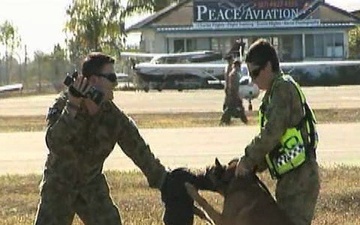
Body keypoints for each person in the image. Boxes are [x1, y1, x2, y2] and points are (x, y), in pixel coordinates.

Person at [33, 52, 168, 225]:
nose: (115, 83)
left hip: (91, 185)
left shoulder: (114, 118)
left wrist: (165, 181)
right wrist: (73, 106)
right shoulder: (62, 106)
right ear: (94, 80)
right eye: (111, 77)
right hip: (59, 186)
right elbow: (54, 143)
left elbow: (139, 150)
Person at [235, 39, 320, 225]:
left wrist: (248, 160)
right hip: (290, 179)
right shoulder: (273, 94)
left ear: (268, 66)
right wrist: (256, 165)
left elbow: (272, 133)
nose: (254, 80)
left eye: (256, 73)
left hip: (301, 179)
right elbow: (277, 143)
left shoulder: (283, 89)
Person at [220, 40, 248, 125]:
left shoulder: (230, 71)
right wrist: (235, 93)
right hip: (232, 92)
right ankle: (225, 120)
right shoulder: (233, 73)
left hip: (231, 92)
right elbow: (233, 84)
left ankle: (227, 120)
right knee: (232, 107)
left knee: (234, 107)